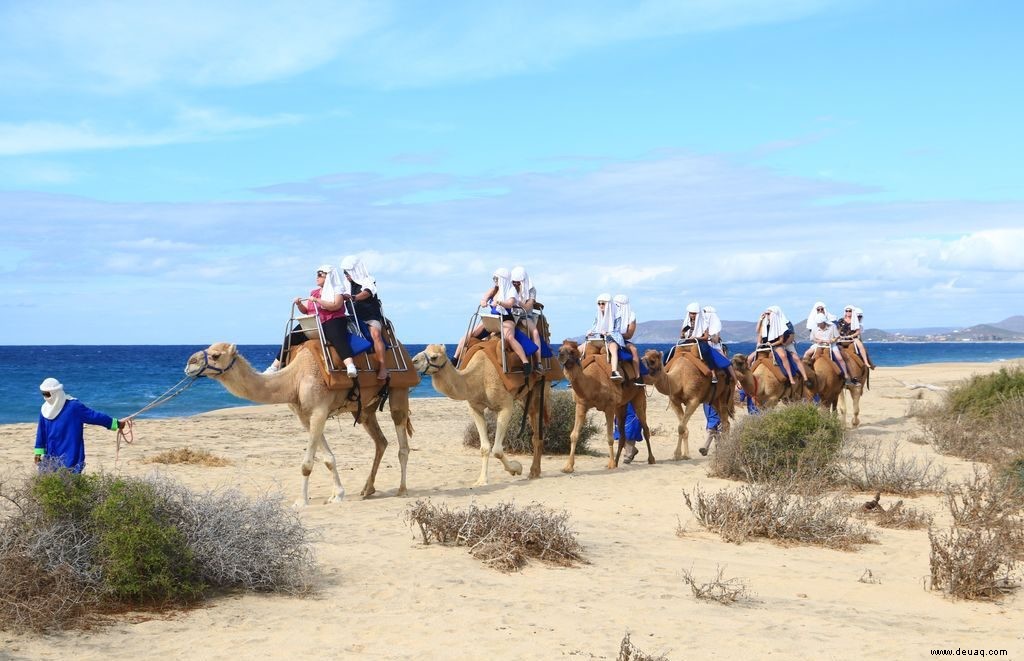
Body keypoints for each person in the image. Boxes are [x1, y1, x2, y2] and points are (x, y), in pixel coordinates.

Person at [264, 266, 358, 377]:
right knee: (290, 337)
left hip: (333, 319)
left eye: (319, 275)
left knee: (336, 337)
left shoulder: (337, 291)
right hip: (315, 321)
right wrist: (299, 304)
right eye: (317, 275)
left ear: (328, 277)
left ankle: (350, 365)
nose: (317, 278)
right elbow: (306, 311)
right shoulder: (314, 293)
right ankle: (275, 366)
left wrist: (318, 300)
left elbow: (335, 306)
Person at [34, 378, 124, 473]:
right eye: (43, 394)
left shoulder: (73, 407)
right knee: (47, 480)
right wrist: (38, 453)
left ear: (56, 392)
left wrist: (115, 423)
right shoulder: (45, 409)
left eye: (47, 394)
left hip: (70, 452)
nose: (45, 397)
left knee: (69, 481)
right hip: (51, 453)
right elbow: (41, 431)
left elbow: (95, 416)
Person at [341, 256, 388, 381]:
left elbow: (366, 292)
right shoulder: (346, 284)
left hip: (370, 316)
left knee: (376, 334)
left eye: (347, 272)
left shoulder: (369, 280)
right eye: (344, 272)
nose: (346, 275)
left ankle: (383, 367)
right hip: (353, 317)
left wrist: (353, 297)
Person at [453, 268, 508, 365]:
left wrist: (500, 303)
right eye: (494, 278)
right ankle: (455, 359)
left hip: (504, 320)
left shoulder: (509, 292)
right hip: (492, 320)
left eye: (497, 278)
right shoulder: (494, 290)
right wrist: (483, 302)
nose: (495, 280)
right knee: (468, 334)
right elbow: (484, 298)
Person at [680, 302, 738, 384]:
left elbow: (713, 339)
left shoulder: (706, 324)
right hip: (690, 343)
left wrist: (699, 338)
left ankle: (731, 379)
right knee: (671, 352)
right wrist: (683, 334)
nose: (692, 315)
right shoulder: (688, 324)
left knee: (715, 356)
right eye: (691, 313)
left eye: (694, 313)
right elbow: (683, 335)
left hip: (712, 345)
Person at [494, 266, 536, 376]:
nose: (516, 284)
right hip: (506, 315)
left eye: (518, 282)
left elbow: (527, 307)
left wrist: (517, 302)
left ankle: (537, 361)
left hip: (524, 316)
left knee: (534, 332)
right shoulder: (506, 287)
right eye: (514, 282)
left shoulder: (531, 290)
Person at [751, 305, 809, 385]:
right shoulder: (764, 323)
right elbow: (759, 333)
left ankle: (798, 377)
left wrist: (781, 344)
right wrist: (760, 319)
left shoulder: (784, 324)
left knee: (788, 356)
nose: (766, 315)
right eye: (766, 313)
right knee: (750, 358)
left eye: (768, 313)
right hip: (767, 345)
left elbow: (789, 337)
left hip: (784, 343)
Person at [803, 313, 857, 385]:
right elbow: (812, 338)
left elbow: (837, 336)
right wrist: (818, 341)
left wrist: (832, 340)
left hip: (831, 345)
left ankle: (846, 376)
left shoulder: (832, 326)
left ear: (824, 322)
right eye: (818, 323)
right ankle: (804, 374)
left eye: (820, 323)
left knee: (839, 358)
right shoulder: (815, 327)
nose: (819, 325)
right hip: (819, 345)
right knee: (807, 353)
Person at [836, 305, 875, 369]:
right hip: (842, 339)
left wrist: (852, 336)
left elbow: (858, 332)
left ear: (852, 312)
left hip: (852, 338)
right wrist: (839, 336)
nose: (848, 312)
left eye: (850, 311)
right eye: (847, 311)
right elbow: (838, 330)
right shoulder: (841, 320)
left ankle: (866, 362)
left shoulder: (855, 320)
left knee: (861, 346)